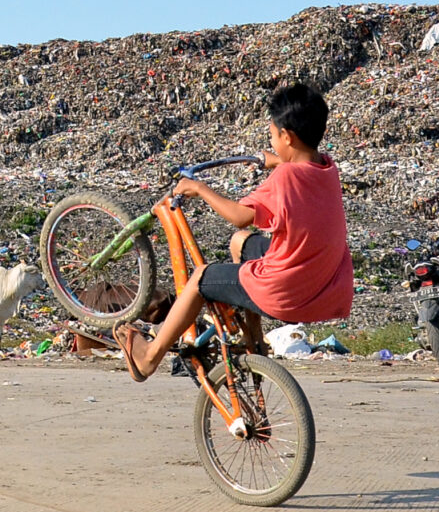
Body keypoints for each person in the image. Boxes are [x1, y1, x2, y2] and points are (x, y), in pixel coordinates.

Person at [115, 83, 353, 381]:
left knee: (200, 277)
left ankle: (149, 358)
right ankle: (255, 344)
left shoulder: (285, 176)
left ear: (287, 137)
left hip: (287, 291)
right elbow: (297, 175)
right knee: (241, 244)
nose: (272, 139)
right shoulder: (327, 168)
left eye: (273, 134)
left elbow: (240, 217)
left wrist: (199, 189)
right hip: (324, 285)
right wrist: (279, 159)